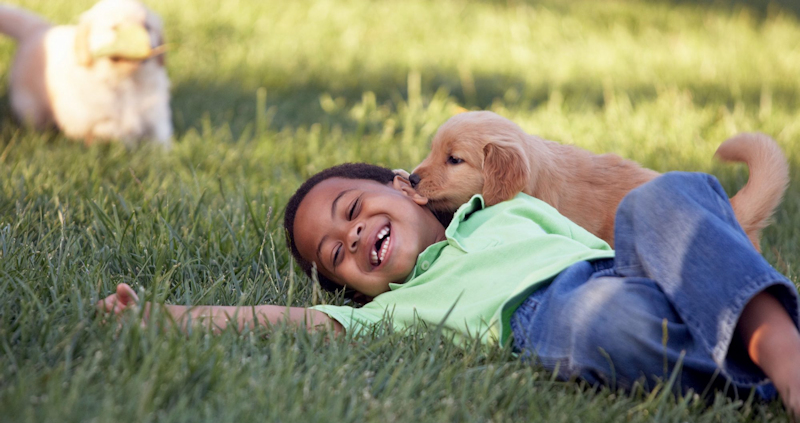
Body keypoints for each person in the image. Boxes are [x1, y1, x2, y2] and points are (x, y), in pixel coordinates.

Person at [98, 163, 800, 414]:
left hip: (632, 265)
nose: (350, 238)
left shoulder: (505, 208)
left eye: (351, 209)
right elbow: (286, 318)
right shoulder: (399, 308)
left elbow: (624, 216)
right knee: (596, 320)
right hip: (560, 313)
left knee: (661, 197)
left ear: (405, 186)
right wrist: (172, 313)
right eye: (333, 254)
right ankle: (766, 365)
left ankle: (782, 350)